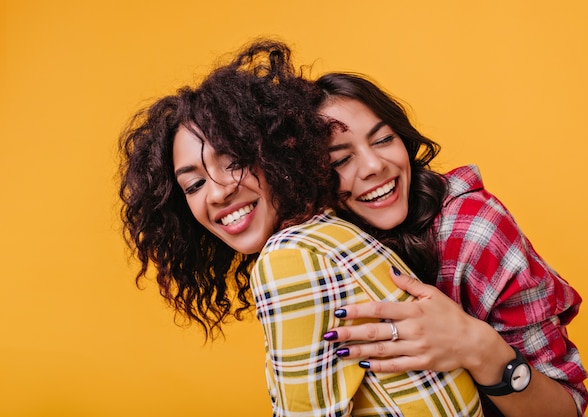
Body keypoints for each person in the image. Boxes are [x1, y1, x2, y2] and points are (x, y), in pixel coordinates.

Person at [118, 40, 484, 416]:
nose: (216, 193)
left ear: (275, 152)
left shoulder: (290, 255)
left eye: (234, 162)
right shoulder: (330, 231)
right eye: (193, 185)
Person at [313, 72, 588, 416]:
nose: (373, 166)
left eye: (383, 139)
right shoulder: (310, 248)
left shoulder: (473, 231)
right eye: (339, 160)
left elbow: (564, 409)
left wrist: (476, 346)